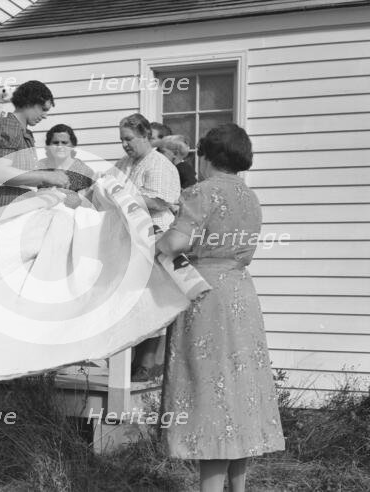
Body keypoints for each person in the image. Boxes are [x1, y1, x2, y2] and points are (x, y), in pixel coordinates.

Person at [155, 124, 285, 492]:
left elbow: (175, 243)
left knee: (210, 395)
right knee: (238, 391)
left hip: (206, 294)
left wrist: (155, 243)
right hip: (241, 293)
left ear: (206, 156)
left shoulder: (201, 192)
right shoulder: (250, 197)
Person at [108, 113, 181, 382]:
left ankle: (148, 362)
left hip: (156, 236)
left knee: (151, 298)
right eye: (122, 140)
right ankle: (129, 361)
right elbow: (108, 183)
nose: (125, 145)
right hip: (130, 238)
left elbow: (161, 201)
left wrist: (123, 197)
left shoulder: (159, 164)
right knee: (131, 298)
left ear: (145, 136)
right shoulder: (125, 163)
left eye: (129, 139)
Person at [0, 80, 69, 210]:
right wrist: (46, 176)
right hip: (5, 207)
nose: (45, 116)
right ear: (30, 102)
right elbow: (0, 173)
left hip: (21, 206)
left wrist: (51, 180)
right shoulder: (8, 126)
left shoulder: (25, 132)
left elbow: (23, 176)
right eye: (43, 109)